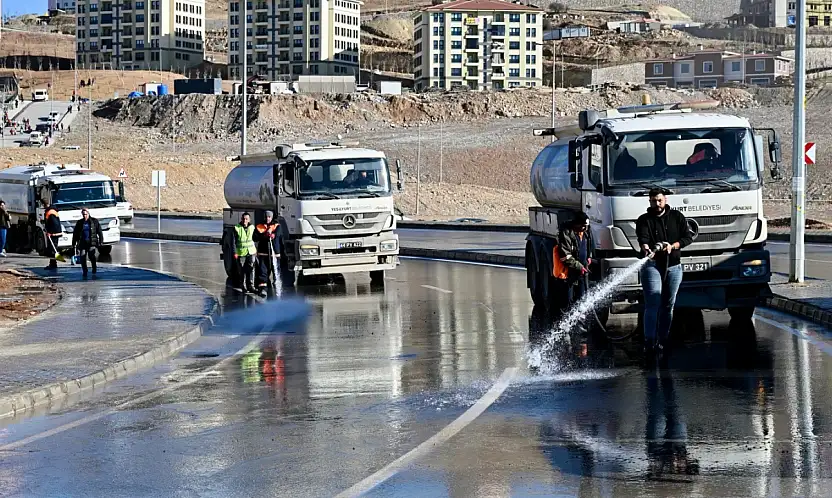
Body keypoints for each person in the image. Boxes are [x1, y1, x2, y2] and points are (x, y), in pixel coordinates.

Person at [636, 189, 693, 357]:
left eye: (659, 200)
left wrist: (672, 246)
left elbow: (687, 238)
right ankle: (649, 341)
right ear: (649, 201)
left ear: (665, 200)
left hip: (674, 266)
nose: (657, 204)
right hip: (652, 265)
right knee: (653, 302)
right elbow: (643, 239)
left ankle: (662, 340)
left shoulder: (677, 217)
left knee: (668, 305)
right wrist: (646, 248)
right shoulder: (644, 220)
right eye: (653, 201)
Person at [555, 212, 595, 318]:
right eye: (582, 226)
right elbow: (565, 257)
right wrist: (579, 266)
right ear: (575, 224)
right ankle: (565, 327)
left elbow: (589, 245)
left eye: (585, 226)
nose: (584, 228)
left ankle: (579, 324)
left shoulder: (585, 231)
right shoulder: (566, 233)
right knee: (567, 301)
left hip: (581, 272)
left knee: (582, 299)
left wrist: (589, 257)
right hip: (568, 274)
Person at [72, 208, 103, 276]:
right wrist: (73, 243)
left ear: (88, 213)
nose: (84, 216)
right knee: (82, 256)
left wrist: (101, 240)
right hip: (82, 242)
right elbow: (75, 233)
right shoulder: (80, 222)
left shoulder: (94, 221)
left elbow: (99, 231)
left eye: (85, 214)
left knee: (91, 255)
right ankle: (84, 270)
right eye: (83, 214)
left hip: (91, 242)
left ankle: (94, 267)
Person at [254, 211, 279, 291]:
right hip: (263, 253)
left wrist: (273, 235)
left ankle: (277, 287)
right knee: (263, 271)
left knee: (276, 271)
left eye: (269, 217)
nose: (267, 219)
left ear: (272, 218)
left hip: (274, 254)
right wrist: (264, 235)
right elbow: (255, 237)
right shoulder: (259, 226)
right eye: (266, 217)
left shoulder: (276, 226)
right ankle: (263, 289)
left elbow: (279, 235)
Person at [233, 212, 257, 292]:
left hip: (251, 251)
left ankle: (251, 286)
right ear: (241, 219)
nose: (244, 220)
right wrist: (235, 252)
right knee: (242, 270)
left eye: (246, 219)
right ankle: (243, 286)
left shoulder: (252, 227)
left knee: (251, 268)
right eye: (243, 219)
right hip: (241, 252)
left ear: (249, 220)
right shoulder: (237, 228)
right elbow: (233, 241)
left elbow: (255, 238)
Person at [42, 199, 63, 270]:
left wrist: (51, 233)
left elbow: (54, 224)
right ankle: (53, 263)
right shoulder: (52, 210)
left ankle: (53, 264)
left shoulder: (50, 212)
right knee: (52, 249)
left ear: (44, 205)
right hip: (54, 233)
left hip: (54, 234)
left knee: (53, 249)